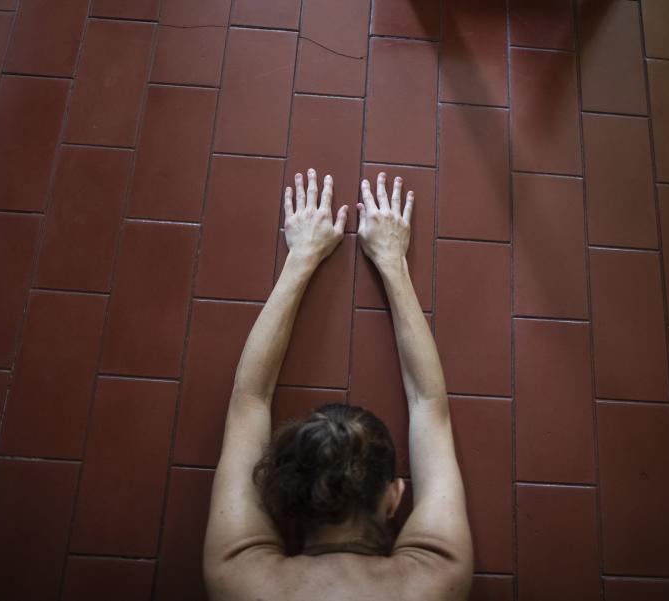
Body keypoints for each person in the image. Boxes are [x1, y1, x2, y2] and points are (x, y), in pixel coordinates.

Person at [202, 169, 473, 600]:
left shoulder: (238, 578)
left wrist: (302, 258)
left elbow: (250, 400)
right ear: (393, 498)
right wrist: (392, 263)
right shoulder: (438, 579)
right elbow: (428, 405)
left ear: (283, 495)